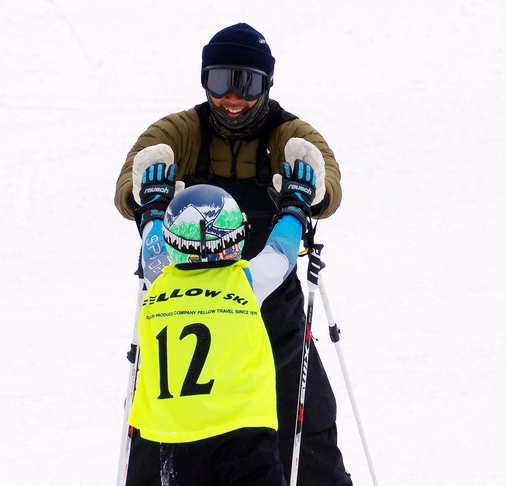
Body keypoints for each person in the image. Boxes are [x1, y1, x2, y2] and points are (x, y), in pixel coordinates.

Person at [116, 23, 351, 486]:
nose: (233, 97)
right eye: (221, 81)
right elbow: (132, 175)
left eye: (248, 83)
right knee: (174, 433)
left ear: (267, 85)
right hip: (204, 296)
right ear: (205, 81)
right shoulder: (181, 130)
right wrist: (141, 191)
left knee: (303, 426)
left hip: (266, 314)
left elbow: (327, 177)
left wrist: (315, 187)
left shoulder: (288, 132)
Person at [128, 157, 318, 485]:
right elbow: (281, 252)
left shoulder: (158, 280)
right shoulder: (245, 282)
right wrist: (295, 205)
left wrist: (153, 206)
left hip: (175, 434)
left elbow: (153, 244)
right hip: (242, 431)